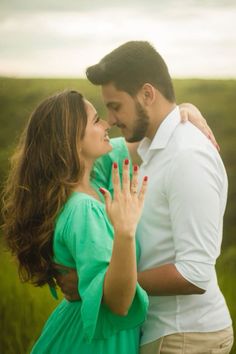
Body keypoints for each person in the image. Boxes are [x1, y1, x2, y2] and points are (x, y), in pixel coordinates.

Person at [58, 41, 234, 354]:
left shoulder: (188, 157)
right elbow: (77, 151)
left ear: (147, 94)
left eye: (115, 106)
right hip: (166, 332)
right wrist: (187, 108)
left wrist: (108, 285)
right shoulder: (150, 147)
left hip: (184, 337)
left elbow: (195, 274)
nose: (110, 119)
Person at [2, 89, 150, 353]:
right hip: (94, 344)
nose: (107, 123)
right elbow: (119, 303)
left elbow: (148, 143)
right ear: (70, 140)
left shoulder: (91, 181)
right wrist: (125, 232)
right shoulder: (83, 210)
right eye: (95, 120)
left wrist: (186, 113)